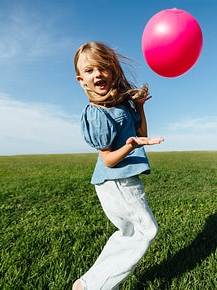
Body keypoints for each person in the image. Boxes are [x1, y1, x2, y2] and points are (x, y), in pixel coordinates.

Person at [72, 42, 163, 290]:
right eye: (90, 71)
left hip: (125, 179)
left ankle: (87, 283)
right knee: (145, 231)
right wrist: (130, 146)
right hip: (115, 180)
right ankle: (90, 286)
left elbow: (141, 133)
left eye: (103, 68)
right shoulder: (97, 112)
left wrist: (140, 107)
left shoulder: (121, 104)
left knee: (131, 232)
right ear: (82, 81)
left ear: (113, 71)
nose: (98, 74)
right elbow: (108, 159)